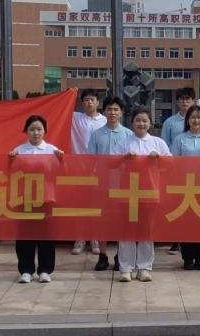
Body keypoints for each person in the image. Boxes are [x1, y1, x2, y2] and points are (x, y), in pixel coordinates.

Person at [9, 115, 65, 284]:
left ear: (45, 131)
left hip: (46, 198)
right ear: (26, 131)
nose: (36, 133)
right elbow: (9, 173)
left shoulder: (52, 150)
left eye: (39, 129)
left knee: (46, 235)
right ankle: (26, 270)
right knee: (25, 234)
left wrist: (62, 160)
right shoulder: (19, 150)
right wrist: (10, 160)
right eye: (32, 129)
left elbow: (63, 173)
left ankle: (45, 270)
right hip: (25, 198)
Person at [119, 107, 171, 282]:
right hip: (128, 192)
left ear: (150, 123)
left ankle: (144, 268)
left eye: (144, 120)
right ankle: (126, 268)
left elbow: (171, 164)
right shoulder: (124, 142)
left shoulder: (158, 143)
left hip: (150, 191)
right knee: (127, 231)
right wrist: (124, 158)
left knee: (146, 230)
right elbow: (111, 163)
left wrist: (160, 158)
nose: (141, 123)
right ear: (132, 122)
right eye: (138, 120)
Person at [86, 96, 133, 272]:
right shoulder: (96, 134)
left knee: (121, 220)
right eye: (109, 109)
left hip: (123, 185)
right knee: (103, 220)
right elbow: (90, 160)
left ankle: (120, 256)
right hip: (102, 184)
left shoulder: (128, 134)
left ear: (121, 113)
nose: (112, 112)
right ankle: (103, 255)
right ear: (104, 111)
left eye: (116, 109)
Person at [169, 104, 200, 270]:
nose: (196, 120)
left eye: (199, 117)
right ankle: (188, 258)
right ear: (187, 120)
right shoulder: (180, 139)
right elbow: (172, 162)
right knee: (185, 221)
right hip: (184, 186)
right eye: (193, 117)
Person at [70, 89, 107, 256]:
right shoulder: (75, 118)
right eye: (86, 100)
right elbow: (60, 107)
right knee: (79, 205)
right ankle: (79, 239)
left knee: (96, 205)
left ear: (98, 102)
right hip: (79, 169)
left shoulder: (105, 120)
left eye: (92, 99)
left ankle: (94, 238)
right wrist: (70, 93)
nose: (89, 102)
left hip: (99, 170)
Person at [160, 87, 196, 255]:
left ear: (193, 101)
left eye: (188, 99)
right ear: (177, 102)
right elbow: (164, 144)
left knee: (196, 205)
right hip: (176, 170)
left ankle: (198, 241)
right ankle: (176, 240)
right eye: (181, 99)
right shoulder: (170, 122)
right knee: (177, 205)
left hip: (198, 172)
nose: (184, 102)